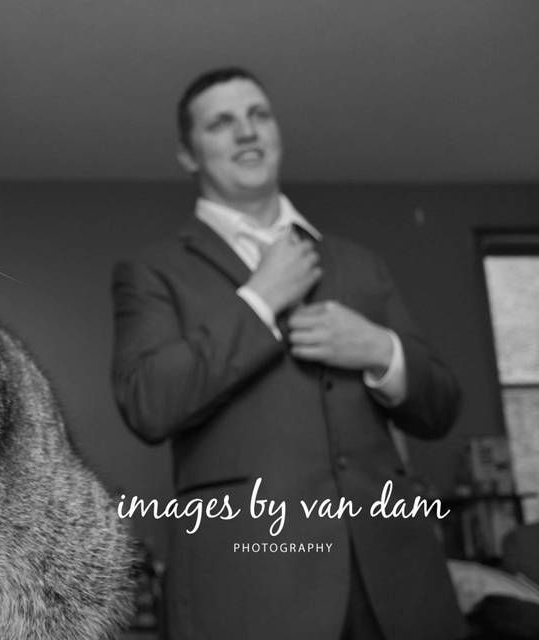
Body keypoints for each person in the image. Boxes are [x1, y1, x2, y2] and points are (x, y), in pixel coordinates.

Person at [111, 68, 468, 640]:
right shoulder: (153, 272)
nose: (247, 133)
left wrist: (380, 350)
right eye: (222, 123)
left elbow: (441, 408)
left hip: (398, 582)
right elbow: (148, 402)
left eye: (259, 115)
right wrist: (258, 303)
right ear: (188, 153)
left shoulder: (358, 263)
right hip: (252, 582)